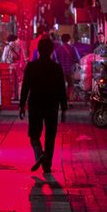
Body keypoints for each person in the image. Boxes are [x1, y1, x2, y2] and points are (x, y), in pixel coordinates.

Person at [19, 35, 68, 176]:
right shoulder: (56, 68)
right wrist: (64, 109)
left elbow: (25, 87)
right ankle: (47, 164)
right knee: (50, 135)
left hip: (35, 104)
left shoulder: (31, 67)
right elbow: (61, 90)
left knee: (34, 134)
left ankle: (39, 153)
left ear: (38, 50)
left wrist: (22, 105)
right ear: (52, 51)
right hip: (52, 105)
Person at [55, 33, 81, 102]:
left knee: (61, 86)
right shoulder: (73, 48)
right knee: (71, 85)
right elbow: (78, 60)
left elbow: (55, 60)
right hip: (70, 70)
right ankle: (70, 100)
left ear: (62, 40)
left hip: (61, 71)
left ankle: (62, 100)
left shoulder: (58, 49)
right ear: (69, 39)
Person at [1, 31, 26, 101]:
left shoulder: (7, 46)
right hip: (18, 65)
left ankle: (13, 96)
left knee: (11, 81)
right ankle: (19, 96)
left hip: (10, 65)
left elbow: (3, 58)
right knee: (19, 81)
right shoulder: (18, 44)